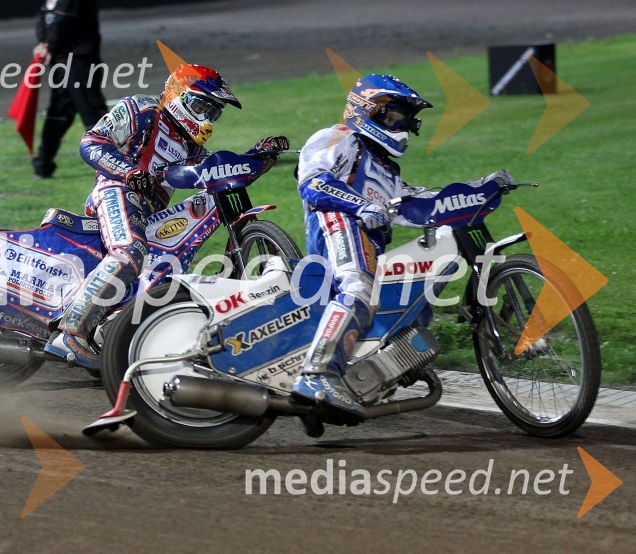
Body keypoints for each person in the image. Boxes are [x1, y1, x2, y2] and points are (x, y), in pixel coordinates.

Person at [291, 74, 512, 415]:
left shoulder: (387, 170)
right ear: (368, 110)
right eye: (394, 117)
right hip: (336, 221)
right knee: (358, 289)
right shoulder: (339, 137)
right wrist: (360, 206)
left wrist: (478, 190)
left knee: (413, 302)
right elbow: (313, 183)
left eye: (406, 120)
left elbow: (418, 205)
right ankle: (316, 373)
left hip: (365, 237)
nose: (402, 126)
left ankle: (372, 371)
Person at [44, 63, 289, 370]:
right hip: (115, 190)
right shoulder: (142, 109)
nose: (207, 120)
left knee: (165, 271)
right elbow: (91, 141)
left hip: (148, 212)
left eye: (214, 113)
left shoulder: (191, 146)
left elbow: (218, 174)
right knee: (130, 250)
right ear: (177, 95)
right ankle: (70, 333)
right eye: (202, 107)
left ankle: (124, 335)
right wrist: (130, 172)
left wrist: (260, 155)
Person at [32, 0, 109, 179]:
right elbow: (47, 18)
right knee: (59, 113)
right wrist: (43, 43)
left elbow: (63, 22)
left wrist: (47, 45)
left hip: (80, 62)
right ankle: (43, 165)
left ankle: (118, 163)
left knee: (93, 115)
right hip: (61, 61)